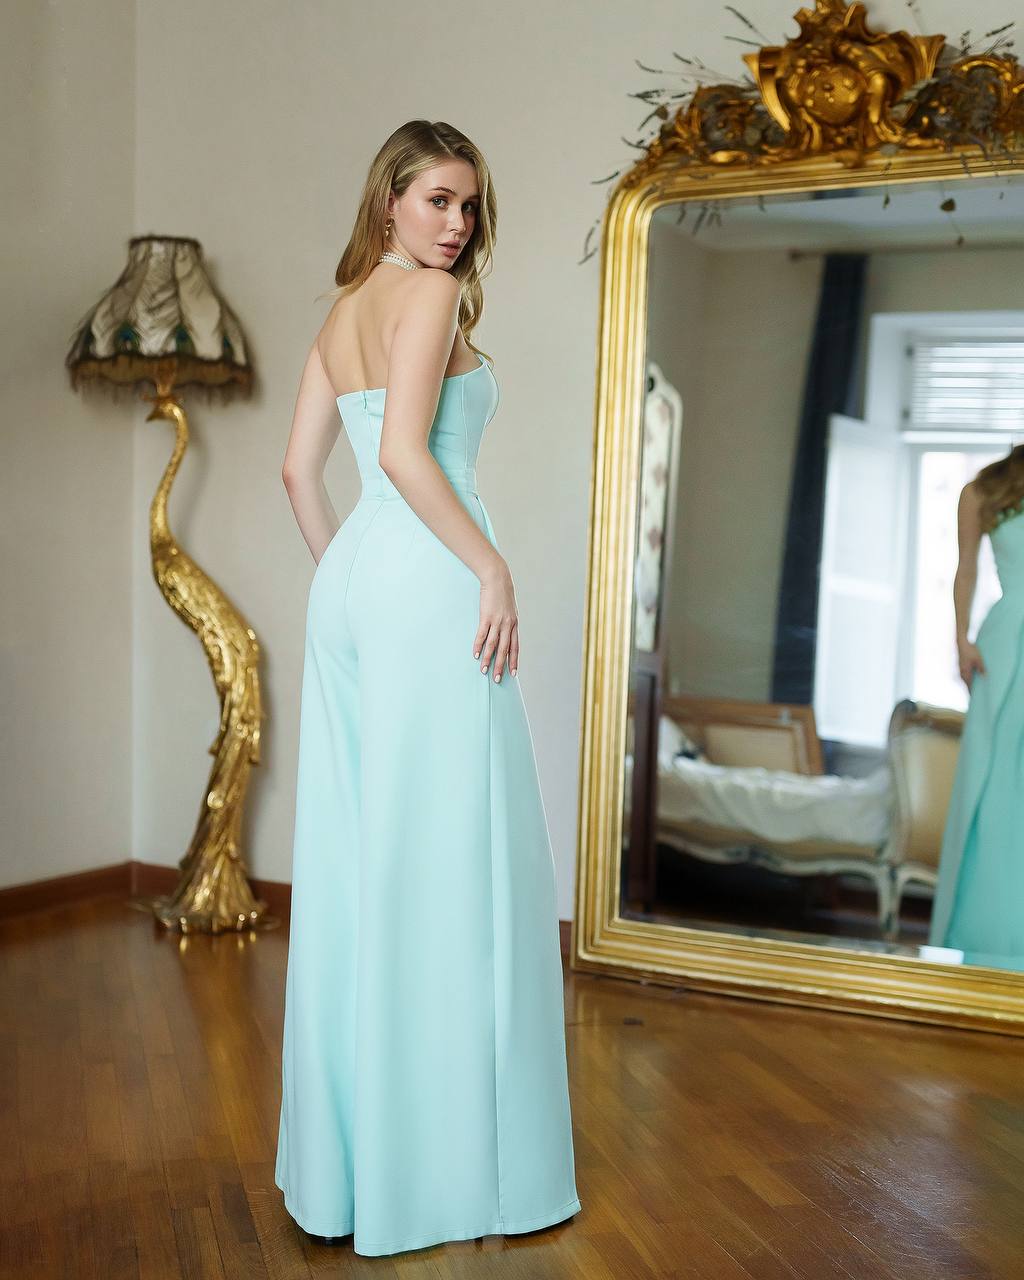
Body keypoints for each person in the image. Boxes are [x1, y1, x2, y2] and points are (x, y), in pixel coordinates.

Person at [274, 119, 582, 1256]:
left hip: (359, 580)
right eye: (437, 200)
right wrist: (487, 564)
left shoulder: (346, 303)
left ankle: (354, 1173)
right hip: (433, 574)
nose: (455, 225)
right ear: (390, 198)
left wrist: (355, 580)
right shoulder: (423, 302)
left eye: (467, 207)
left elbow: (300, 471)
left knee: (370, 856)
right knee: (452, 856)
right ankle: (450, 1174)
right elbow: (406, 452)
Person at [929, 445, 1024, 971]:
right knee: (993, 789)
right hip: (1006, 648)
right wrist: (961, 639)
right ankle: (983, 934)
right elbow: (964, 572)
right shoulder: (986, 488)